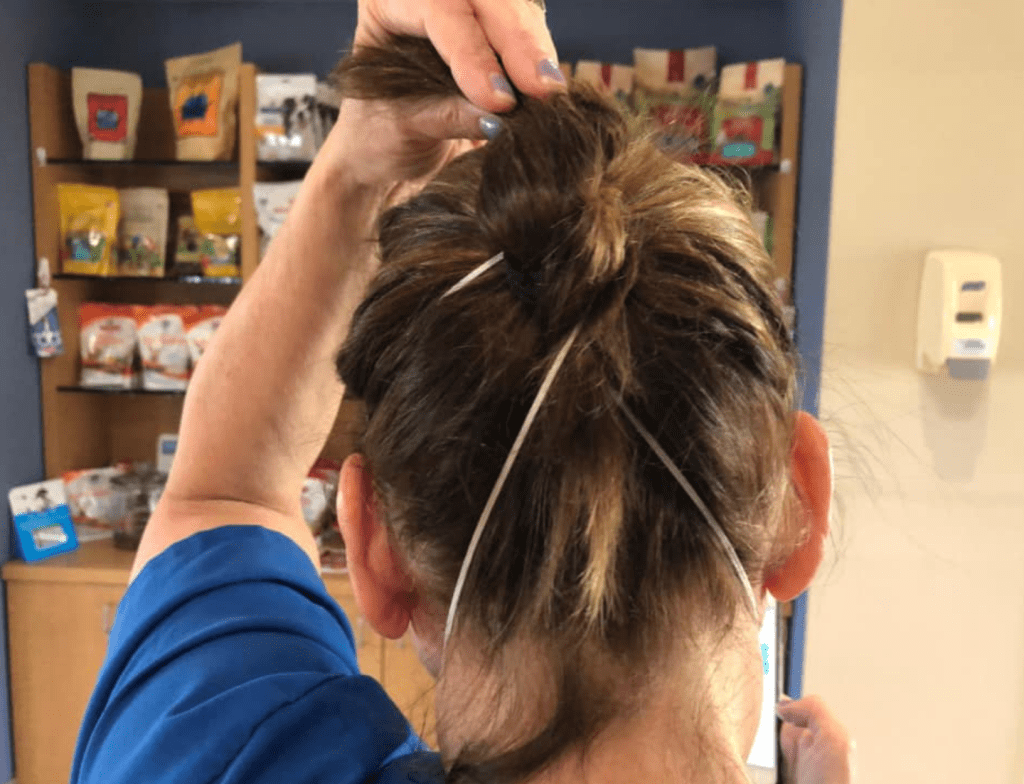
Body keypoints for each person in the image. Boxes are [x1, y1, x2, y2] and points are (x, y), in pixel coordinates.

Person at [69, 2, 854, 783]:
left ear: (375, 549)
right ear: (801, 502)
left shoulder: (227, 756)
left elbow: (223, 496)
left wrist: (354, 173)